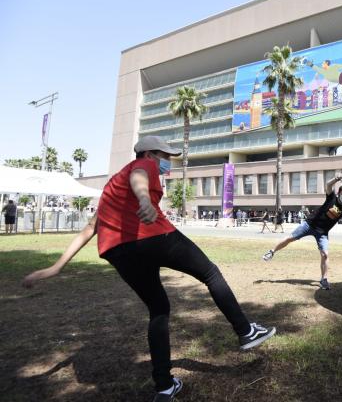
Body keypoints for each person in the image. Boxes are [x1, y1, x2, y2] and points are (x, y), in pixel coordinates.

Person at [21, 136, 275, 402]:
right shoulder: (144, 164)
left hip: (118, 252)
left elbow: (90, 228)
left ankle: (164, 385)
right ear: (150, 153)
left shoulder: (112, 185)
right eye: (165, 156)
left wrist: (56, 267)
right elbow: (140, 176)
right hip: (153, 236)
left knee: (158, 308)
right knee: (210, 273)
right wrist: (144, 200)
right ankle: (246, 331)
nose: (167, 163)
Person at [262, 171, 342, 290]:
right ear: (338, 194)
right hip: (309, 225)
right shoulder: (331, 197)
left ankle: (324, 280)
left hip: (322, 233)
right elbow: (328, 185)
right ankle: (272, 252)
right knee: (289, 238)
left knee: (325, 255)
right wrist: (338, 178)